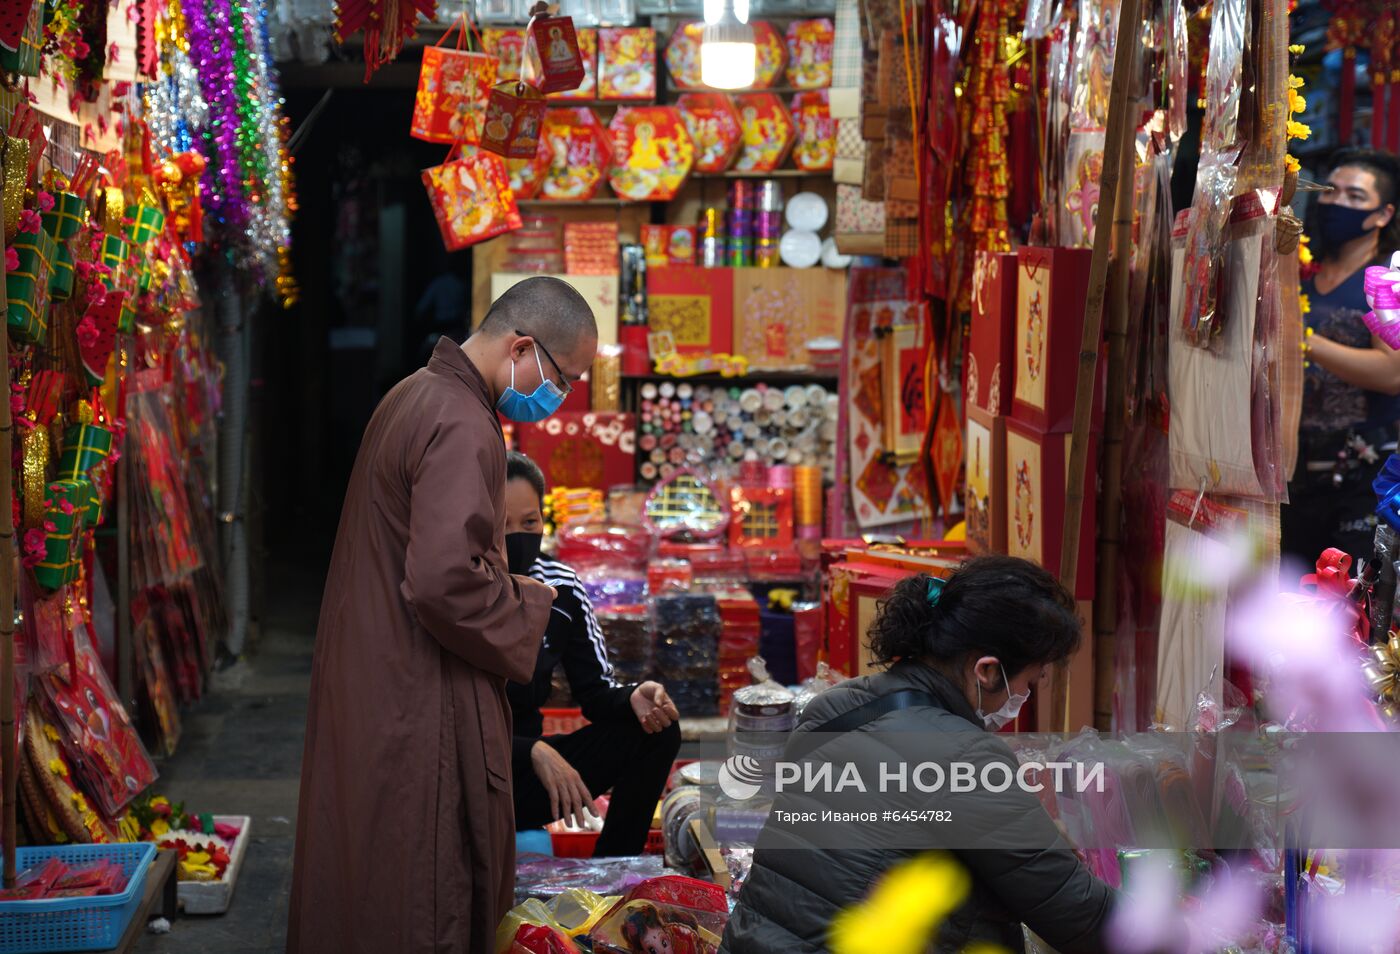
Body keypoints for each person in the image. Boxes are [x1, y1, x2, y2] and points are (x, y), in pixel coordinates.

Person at [288, 277, 599, 954]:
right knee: (421, 892)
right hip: (415, 694)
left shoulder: (411, 394)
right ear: (522, 347)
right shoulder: (462, 422)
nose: (560, 397)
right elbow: (444, 584)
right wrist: (531, 601)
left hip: (377, 678)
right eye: (564, 378)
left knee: (365, 877)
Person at [720, 556, 1122, 954]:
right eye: (1028, 681)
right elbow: (1079, 915)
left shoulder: (834, 707)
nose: (1023, 697)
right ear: (987, 670)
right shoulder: (966, 758)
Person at [503, 451, 681, 856]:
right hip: (465, 776)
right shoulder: (458, 588)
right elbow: (442, 721)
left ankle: (614, 869)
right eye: (502, 524)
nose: (517, 536)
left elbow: (596, 694)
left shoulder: (561, 587)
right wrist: (527, 748)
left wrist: (633, 695)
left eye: (529, 522)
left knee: (656, 730)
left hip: (529, 778)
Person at [1284, 148, 1400, 565]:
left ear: (1382, 214)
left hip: (1361, 474)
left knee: (1347, 603)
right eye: (1331, 193)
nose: (1337, 204)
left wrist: (1304, 340)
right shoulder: (1300, 270)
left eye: (1354, 196)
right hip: (1296, 467)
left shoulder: (1388, 279)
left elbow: (1392, 373)